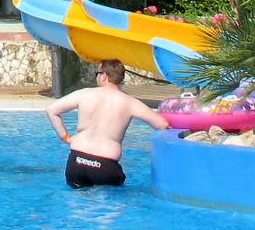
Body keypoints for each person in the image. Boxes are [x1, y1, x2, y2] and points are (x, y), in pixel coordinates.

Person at [44, 58, 168, 188]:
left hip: (77, 162)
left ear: (104, 76)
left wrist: (66, 137)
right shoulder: (130, 102)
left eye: (97, 74)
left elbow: (51, 110)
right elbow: (162, 124)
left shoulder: (84, 94)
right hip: (106, 166)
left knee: (78, 205)